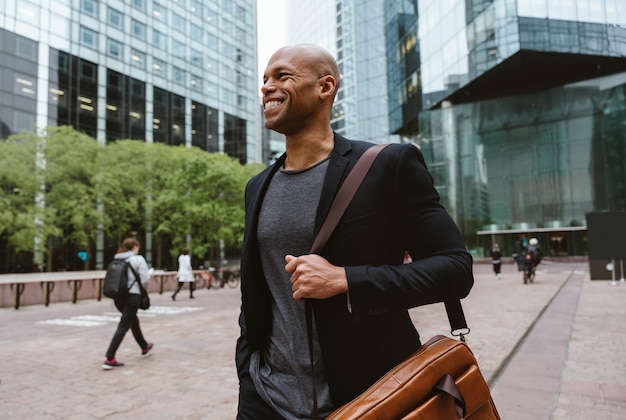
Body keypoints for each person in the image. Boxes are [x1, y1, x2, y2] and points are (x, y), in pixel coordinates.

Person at [235, 44, 474, 419]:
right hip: (264, 399)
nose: (266, 87)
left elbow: (455, 270)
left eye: (282, 76)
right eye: (264, 79)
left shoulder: (388, 166)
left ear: (325, 87)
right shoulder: (257, 186)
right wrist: (248, 368)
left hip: (367, 396)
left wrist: (346, 279)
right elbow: (258, 290)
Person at [103, 237, 153, 370]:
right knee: (124, 325)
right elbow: (145, 279)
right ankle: (110, 358)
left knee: (132, 321)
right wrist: (144, 290)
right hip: (132, 296)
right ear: (135, 247)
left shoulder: (116, 260)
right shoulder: (138, 259)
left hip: (118, 297)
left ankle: (144, 346)